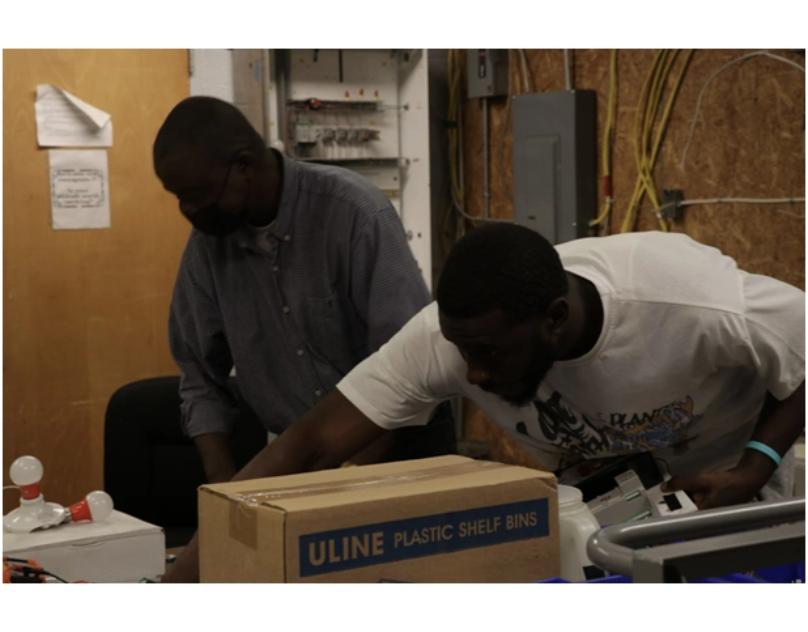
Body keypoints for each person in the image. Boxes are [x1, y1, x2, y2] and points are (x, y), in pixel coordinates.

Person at [165, 223, 805, 581]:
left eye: (490, 354)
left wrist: (755, 464)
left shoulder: (689, 304)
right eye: (461, 350)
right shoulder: (449, 340)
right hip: (615, 514)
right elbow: (308, 446)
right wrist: (182, 585)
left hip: (742, 501)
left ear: (555, 320)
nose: (472, 373)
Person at [153, 97, 454, 579]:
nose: (188, 211)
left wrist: (343, 487)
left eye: (197, 195)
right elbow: (199, 377)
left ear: (244, 167)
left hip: (398, 449)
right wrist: (227, 498)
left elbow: (411, 366)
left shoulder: (354, 213)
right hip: (302, 458)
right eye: (177, 197)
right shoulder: (208, 249)